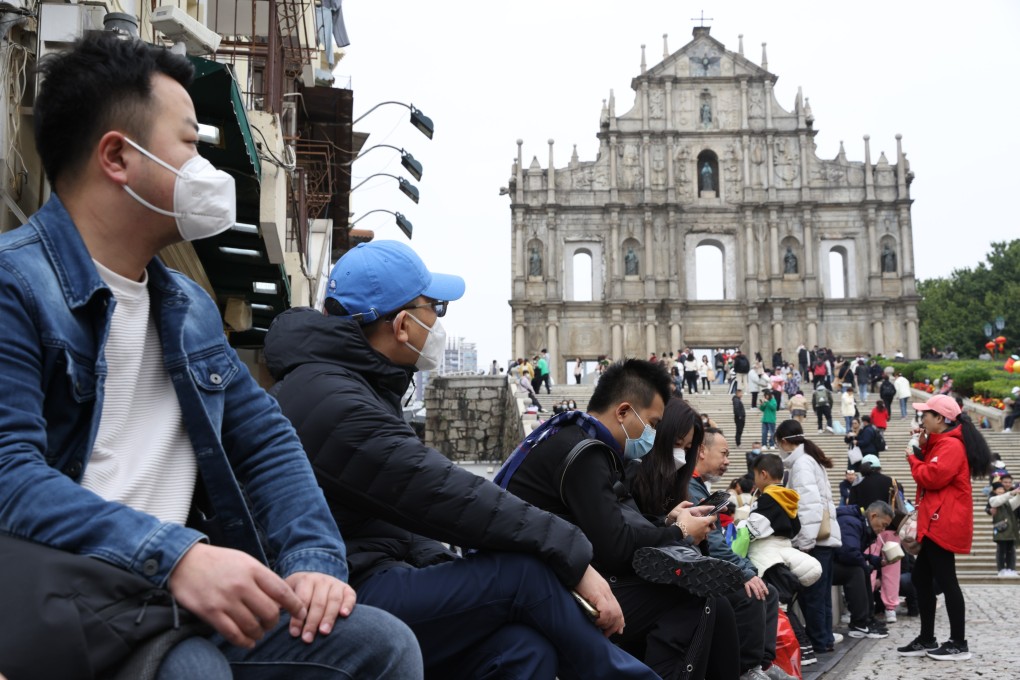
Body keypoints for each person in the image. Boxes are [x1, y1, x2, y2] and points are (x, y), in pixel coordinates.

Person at [0, 33, 421, 679]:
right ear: (118, 156)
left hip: (171, 598)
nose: (208, 168)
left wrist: (312, 560)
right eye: (192, 144)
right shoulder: (16, 286)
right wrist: (178, 557)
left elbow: (266, 442)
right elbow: (10, 476)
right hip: (68, 605)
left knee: (380, 647)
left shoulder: (188, 308)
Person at [266, 241, 659, 679]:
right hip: (334, 589)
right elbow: (442, 492)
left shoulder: (354, 386)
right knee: (524, 577)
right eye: (434, 306)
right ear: (401, 325)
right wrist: (574, 556)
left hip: (370, 572)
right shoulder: (335, 402)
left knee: (522, 650)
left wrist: (448, 569)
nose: (436, 320)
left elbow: (397, 516)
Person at [498, 362, 747, 680]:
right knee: (702, 599)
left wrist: (665, 522)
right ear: (624, 412)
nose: (653, 435)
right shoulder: (585, 453)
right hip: (549, 593)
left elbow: (613, 524)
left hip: (551, 579)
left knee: (708, 598)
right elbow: (615, 547)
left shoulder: (572, 437)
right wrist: (679, 531)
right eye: (653, 423)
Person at [688, 427, 793, 680]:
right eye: (723, 453)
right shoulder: (690, 486)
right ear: (701, 451)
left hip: (709, 562)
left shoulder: (698, 486)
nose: (727, 461)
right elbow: (712, 545)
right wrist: (744, 571)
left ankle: (761, 666)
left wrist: (746, 570)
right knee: (752, 593)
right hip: (696, 568)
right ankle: (746, 670)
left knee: (768, 592)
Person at [897, 394, 992, 661]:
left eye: (925, 414)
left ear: (940, 418)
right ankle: (928, 638)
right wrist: (923, 444)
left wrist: (913, 457)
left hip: (943, 520)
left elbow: (931, 476)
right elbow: (932, 466)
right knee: (921, 578)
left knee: (946, 580)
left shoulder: (951, 446)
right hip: (937, 518)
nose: (921, 418)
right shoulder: (944, 442)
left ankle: (958, 643)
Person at [776, 419, 843, 655]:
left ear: (784, 441)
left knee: (812, 595)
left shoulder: (802, 463)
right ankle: (824, 639)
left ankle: (818, 640)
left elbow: (808, 506)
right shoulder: (810, 459)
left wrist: (804, 543)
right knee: (821, 595)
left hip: (815, 539)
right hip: (825, 538)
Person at [833, 502, 893, 639]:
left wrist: (874, 560)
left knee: (861, 568)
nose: (883, 530)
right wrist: (867, 564)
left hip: (833, 562)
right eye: (883, 525)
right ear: (873, 516)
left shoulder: (857, 522)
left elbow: (852, 552)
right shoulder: (850, 522)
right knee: (857, 571)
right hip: (825, 566)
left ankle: (867, 619)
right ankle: (859, 623)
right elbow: (848, 553)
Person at [988, 482, 1020, 576]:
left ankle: (1011, 569)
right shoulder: (992, 499)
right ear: (994, 491)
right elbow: (998, 501)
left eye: (1002, 489)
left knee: (1011, 550)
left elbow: (1016, 502)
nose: (1001, 490)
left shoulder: (1008, 502)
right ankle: (1001, 569)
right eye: (999, 489)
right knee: (1001, 550)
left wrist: (1018, 494)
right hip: (1001, 531)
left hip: (1011, 530)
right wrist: (1012, 492)